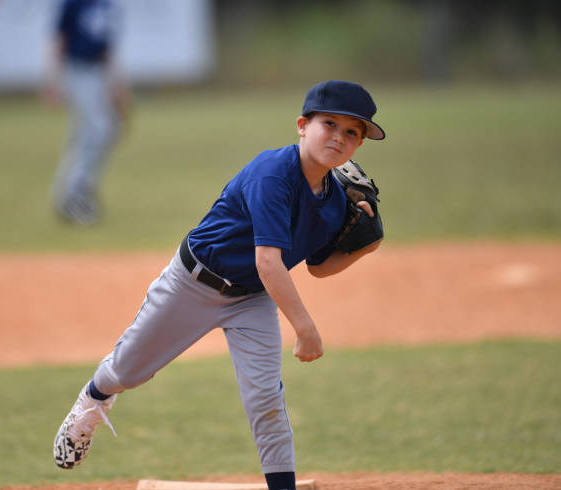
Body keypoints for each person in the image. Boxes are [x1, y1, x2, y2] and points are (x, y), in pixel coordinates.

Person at [53, 80, 386, 490]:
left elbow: (318, 267)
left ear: (359, 146)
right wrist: (305, 327)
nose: (338, 137)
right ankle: (92, 400)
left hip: (252, 299)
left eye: (351, 132)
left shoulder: (335, 202)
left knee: (266, 400)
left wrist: (363, 248)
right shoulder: (273, 173)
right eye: (329, 124)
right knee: (128, 370)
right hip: (192, 282)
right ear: (302, 125)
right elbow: (269, 262)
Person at [42, 0, 129, 224]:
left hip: (98, 71)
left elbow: (107, 48)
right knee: (99, 129)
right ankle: (75, 192)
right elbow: (59, 39)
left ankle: (73, 191)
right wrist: (53, 79)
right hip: (77, 69)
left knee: (103, 130)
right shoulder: (74, 3)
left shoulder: (107, 5)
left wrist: (116, 85)